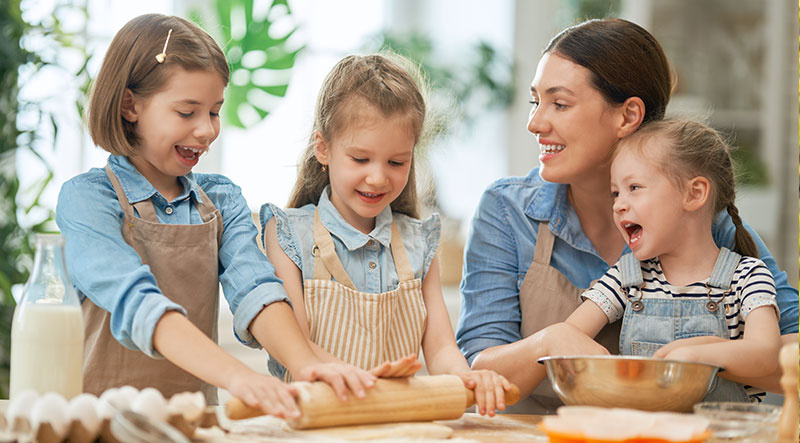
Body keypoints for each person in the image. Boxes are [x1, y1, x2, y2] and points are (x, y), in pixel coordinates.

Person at [456, 18, 799, 413]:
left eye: (560, 103)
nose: (535, 123)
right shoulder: (507, 211)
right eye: (536, 101)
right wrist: (548, 342)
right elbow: (479, 373)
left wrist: (706, 355)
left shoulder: (702, 220)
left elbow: (792, 351)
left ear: (627, 115)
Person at [56, 14, 375, 418]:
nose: (207, 131)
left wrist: (307, 363)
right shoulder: (87, 200)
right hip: (98, 428)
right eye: (187, 112)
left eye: (214, 112)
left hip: (196, 426)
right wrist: (239, 377)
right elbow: (137, 303)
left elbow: (257, 291)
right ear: (130, 105)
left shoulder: (221, 199)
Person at [260, 53, 512, 416]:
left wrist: (468, 378)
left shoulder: (419, 242)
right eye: (360, 159)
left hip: (396, 426)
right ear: (323, 148)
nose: (378, 178)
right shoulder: (287, 235)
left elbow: (440, 348)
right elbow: (294, 345)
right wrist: (367, 383)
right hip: (314, 429)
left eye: (397, 162)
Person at [565, 117, 781, 403]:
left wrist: (697, 355)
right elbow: (568, 335)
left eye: (635, 188)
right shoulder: (626, 278)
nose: (618, 204)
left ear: (694, 194)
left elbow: (767, 355)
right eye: (615, 192)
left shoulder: (748, 277)